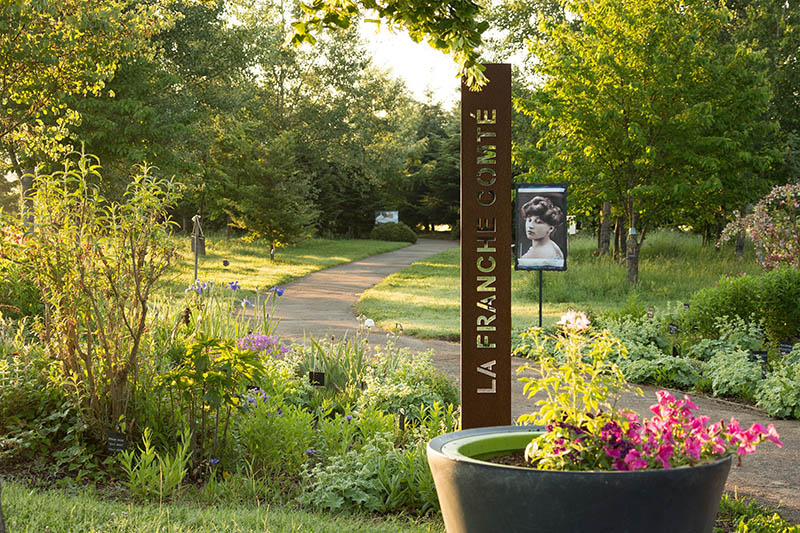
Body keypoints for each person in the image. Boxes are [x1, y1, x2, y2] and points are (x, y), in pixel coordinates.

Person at [518, 196, 565, 267]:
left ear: (551, 228)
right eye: (529, 220)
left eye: (538, 222)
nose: (531, 226)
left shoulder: (534, 255)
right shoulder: (553, 245)